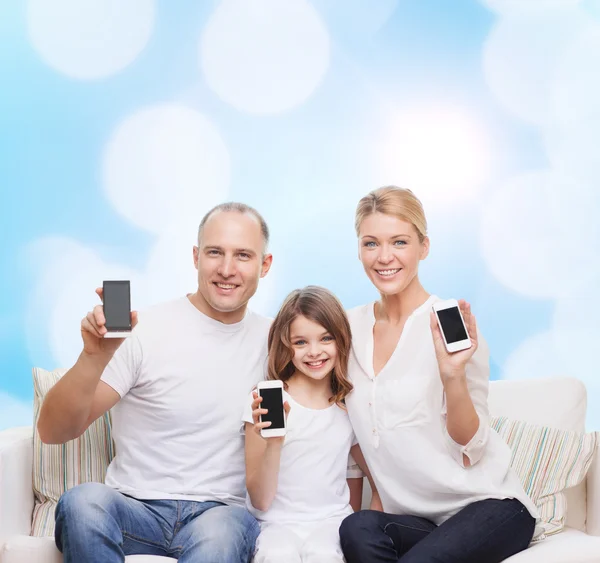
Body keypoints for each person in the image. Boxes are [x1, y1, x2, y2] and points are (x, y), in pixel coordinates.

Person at [37, 202, 273, 563]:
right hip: (134, 507)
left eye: (243, 255)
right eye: (215, 252)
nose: (227, 269)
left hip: (219, 514)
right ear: (196, 257)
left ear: (264, 265)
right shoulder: (145, 330)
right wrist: (94, 357)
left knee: (222, 536)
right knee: (82, 502)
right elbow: (53, 430)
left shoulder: (279, 343)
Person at [339, 186, 540, 563]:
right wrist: (378, 492)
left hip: (489, 507)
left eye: (399, 242)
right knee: (356, 527)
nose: (384, 257)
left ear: (423, 247)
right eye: (371, 243)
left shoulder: (449, 324)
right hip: (419, 521)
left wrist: (452, 375)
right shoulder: (348, 329)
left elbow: (472, 448)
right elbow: (348, 428)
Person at [244, 286, 379, 563]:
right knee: (278, 555)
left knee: (324, 556)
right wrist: (275, 443)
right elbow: (260, 501)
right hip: (275, 525)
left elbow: (374, 475)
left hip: (330, 523)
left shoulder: (347, 405)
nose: (314, 352)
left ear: (341, 339)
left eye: (325, 338)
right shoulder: (265, 400)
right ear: (285, 345)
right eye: (301, 342)